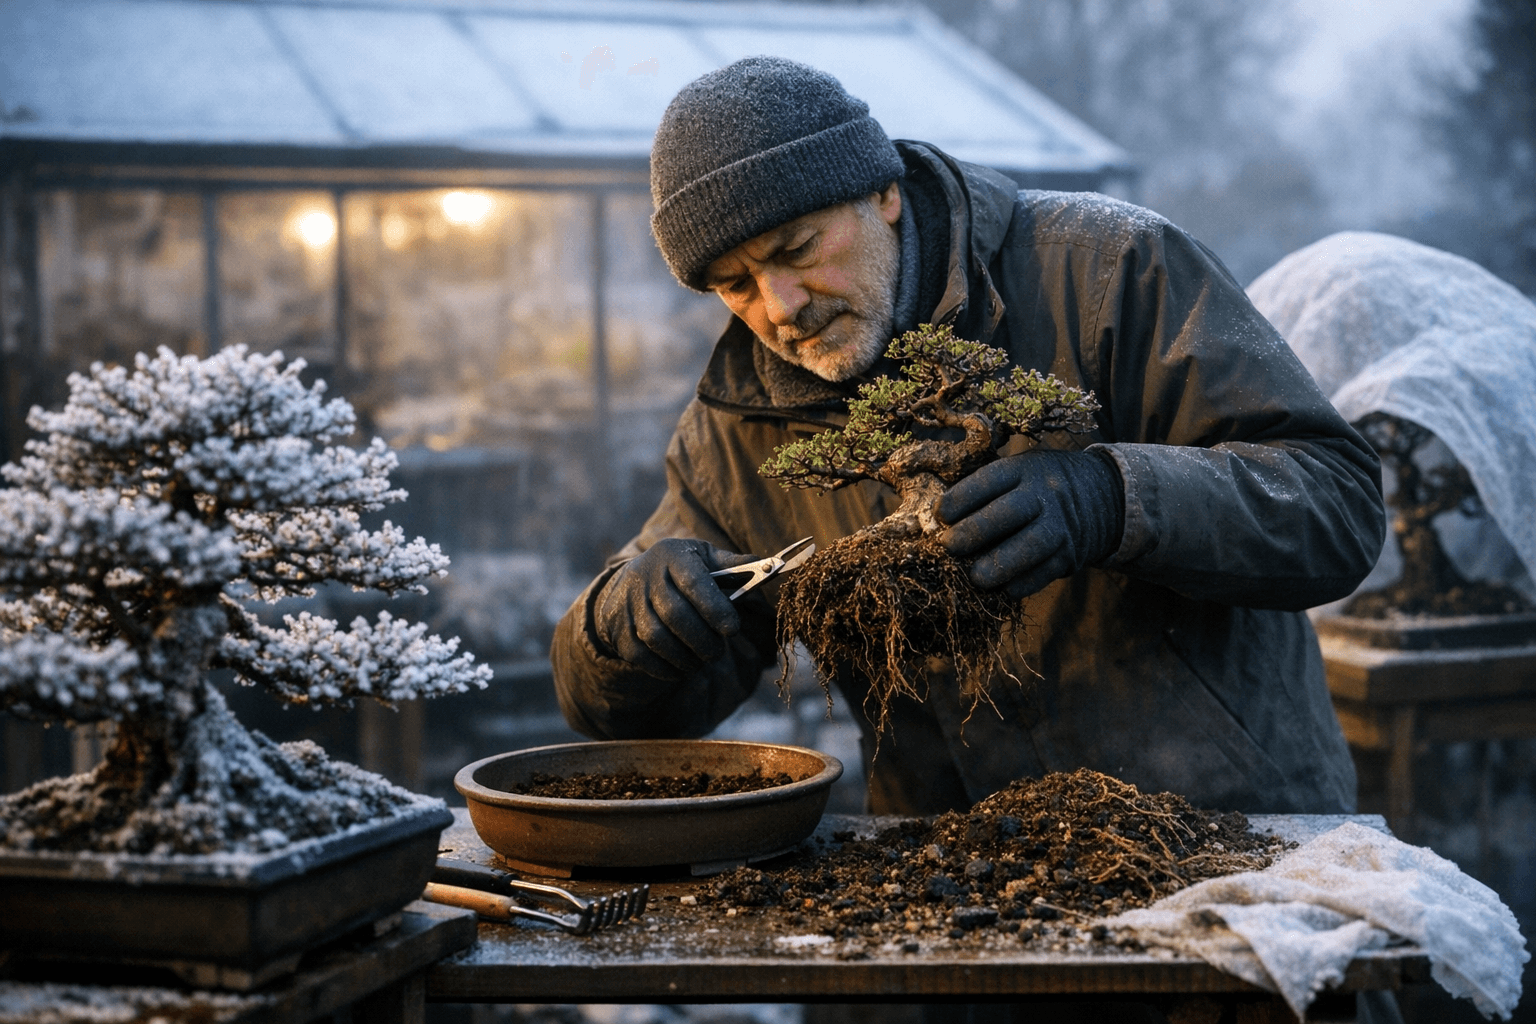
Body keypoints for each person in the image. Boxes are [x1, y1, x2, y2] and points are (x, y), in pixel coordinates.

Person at [551, 56, 1386, 818]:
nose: (781, 307)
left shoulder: (1109, 270)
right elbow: (623, 713)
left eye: (797, 248)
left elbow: (1337, 505)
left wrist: (1115, 498)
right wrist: (620, 633)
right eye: (735, 286)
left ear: (883, 192)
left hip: (1220, 833)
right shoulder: (741, 423)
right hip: (956, 869)